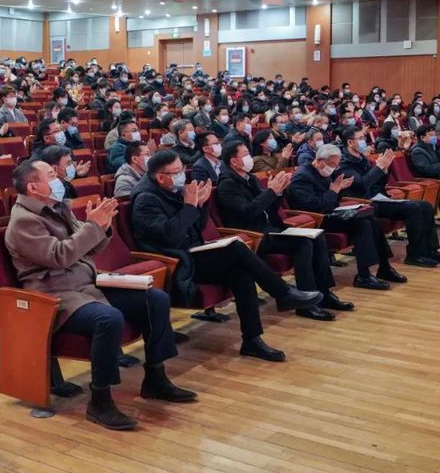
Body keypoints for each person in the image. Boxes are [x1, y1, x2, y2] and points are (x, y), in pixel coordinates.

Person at [5, 160, 196, 431]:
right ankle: (100, 401)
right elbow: (59, 257)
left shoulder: (58, 207)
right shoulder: (24, 221)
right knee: (109, 318)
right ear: (33, 187)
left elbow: (90, 248)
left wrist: (103, 227)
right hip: (55, 296)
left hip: (87, 285)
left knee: (155, 299)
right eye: (52, 175)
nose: (58, 178)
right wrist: (92, 227)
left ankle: (156, 377)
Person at [130, 150, 323, 362]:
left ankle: (252, 340)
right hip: (175, 263)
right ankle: (282, 293)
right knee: (236, 248)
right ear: (160, 177)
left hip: (191, 252)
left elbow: (196, 228)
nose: (182, 175)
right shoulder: (146, 200)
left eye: (182, 169)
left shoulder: (170, 190)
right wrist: (190, 206)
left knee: (241, 273)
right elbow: (170, 236)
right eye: (176, 172)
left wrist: (201, 205)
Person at [216, 141, 353, 321]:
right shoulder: (227, 185)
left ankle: (324, 293)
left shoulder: (250, 178)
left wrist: (278, 192)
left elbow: (269, 205)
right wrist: (271, 191)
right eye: (245, 154)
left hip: (271, 228)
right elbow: (248, 212)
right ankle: (306, 304)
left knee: (317, 236)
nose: (249, 157)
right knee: (303, 243)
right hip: (253, 235)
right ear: (234, 161)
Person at [288, 144, 407, 290]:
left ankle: (384, 267)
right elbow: (312, 205)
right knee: (363, 224)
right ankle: (364, 275)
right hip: (316, 220)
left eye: (336, 165)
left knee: (371, 220)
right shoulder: (302, 176)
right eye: (332, 164)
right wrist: (334, 191)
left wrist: (339, 189)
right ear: (319, 161)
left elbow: (330, 200)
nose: (333, 168)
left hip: (329, 213)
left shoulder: (323, 172)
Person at [338, 127, 440, 267]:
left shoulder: (362, 159)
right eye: (360, 138)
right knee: (413, 208)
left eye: (364, 138)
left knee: (425, 206)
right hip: (365, 202)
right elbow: (362, 185)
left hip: (379, 197)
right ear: (350, 142)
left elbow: (378, 184)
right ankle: (415, 254)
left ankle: (431, 250)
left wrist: (384, 170)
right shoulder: (344, 164)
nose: (364, 141)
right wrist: (379, 168)